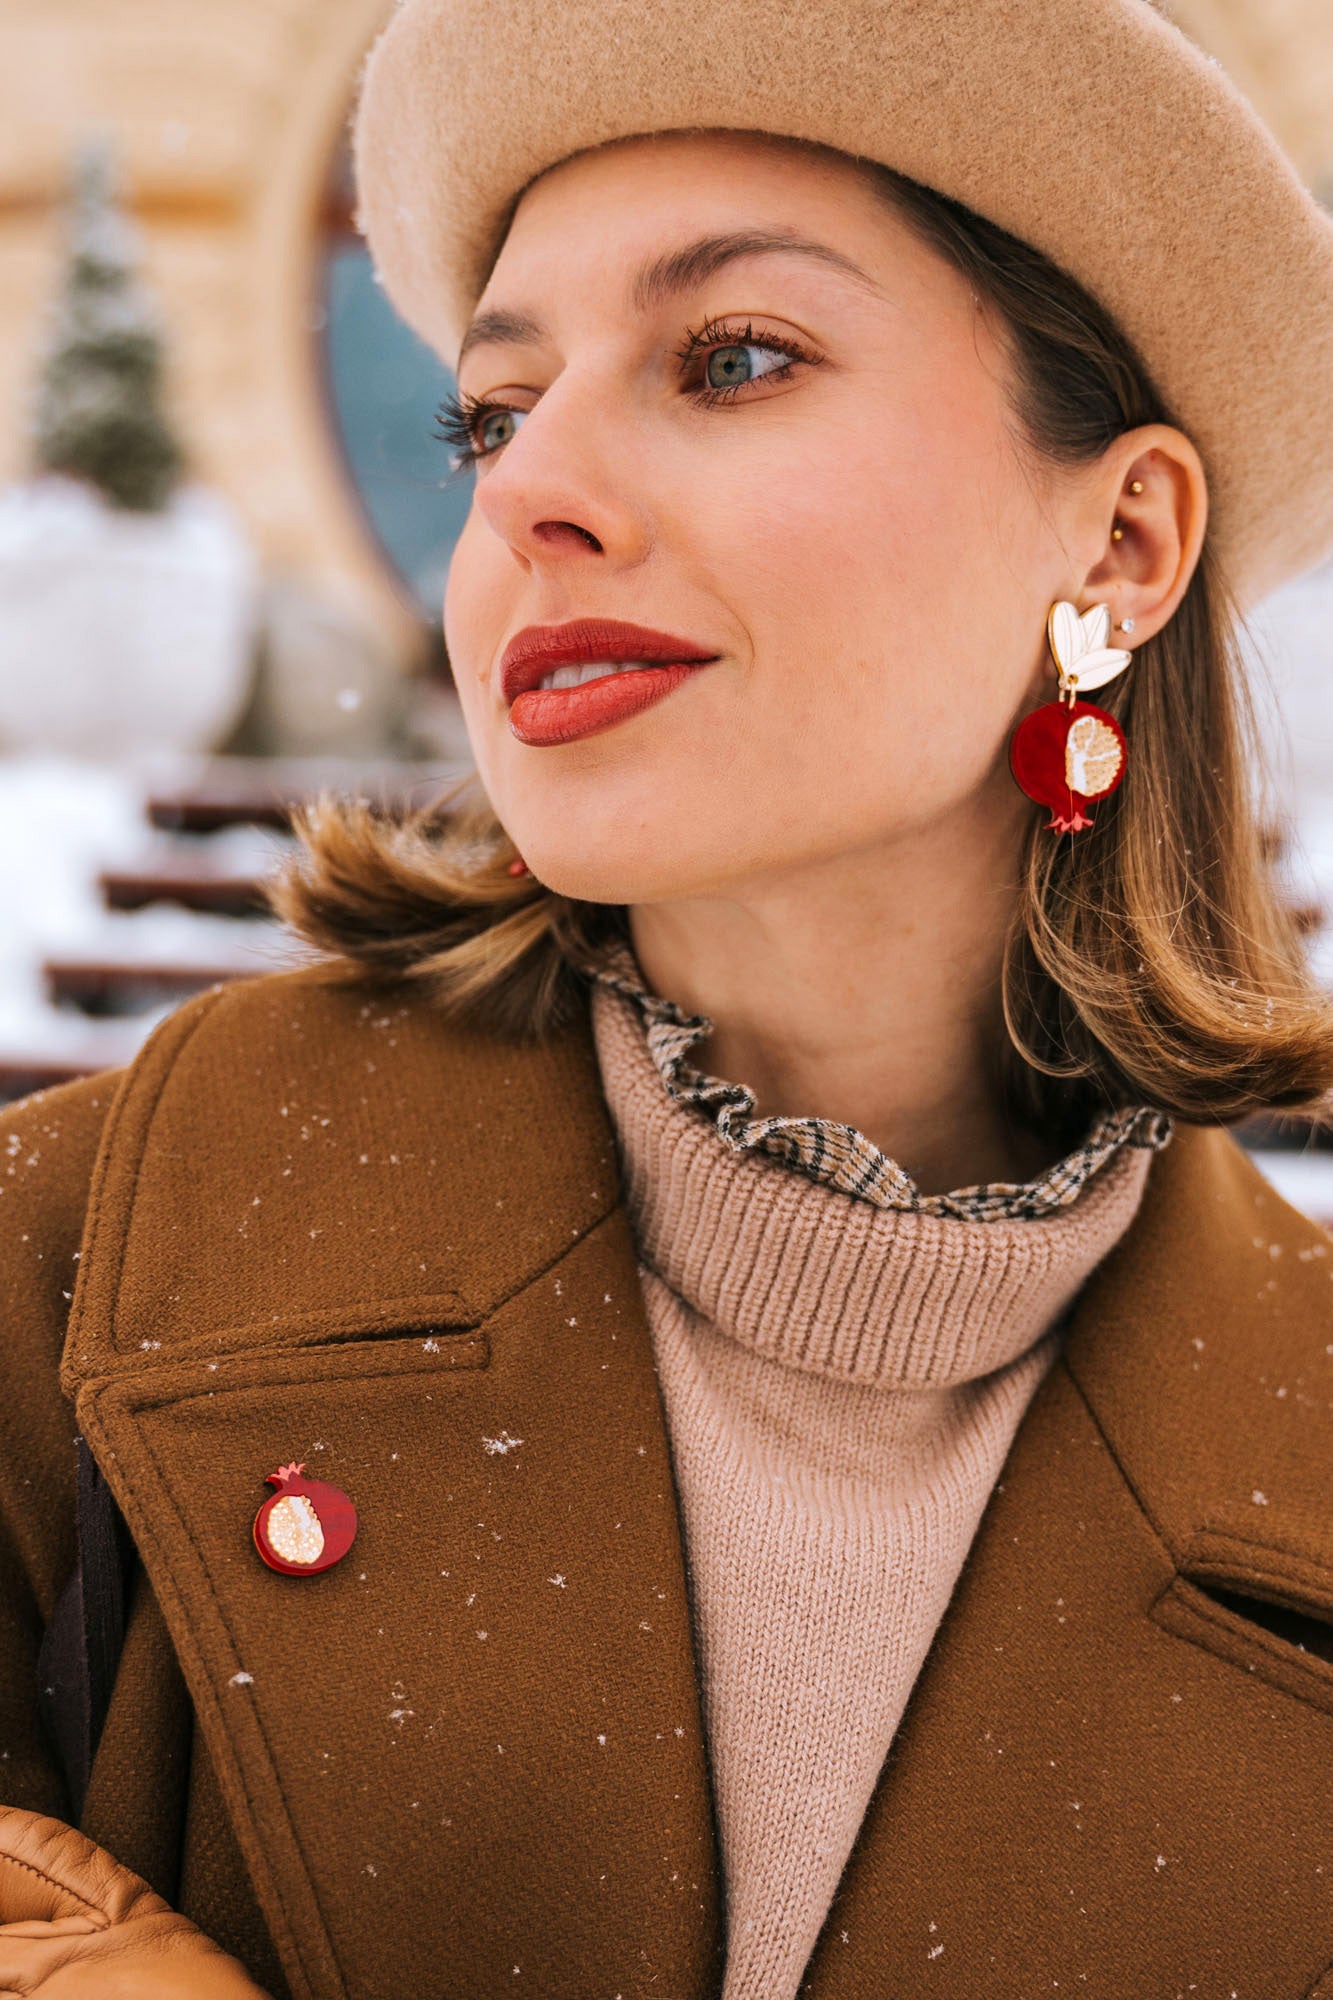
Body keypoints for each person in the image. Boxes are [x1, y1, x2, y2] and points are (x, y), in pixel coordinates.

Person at [2, 1, 1332, 1994]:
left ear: (1120, 539)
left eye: (733, 359)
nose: (533, 492)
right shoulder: (75, 1267)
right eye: (493, 410)